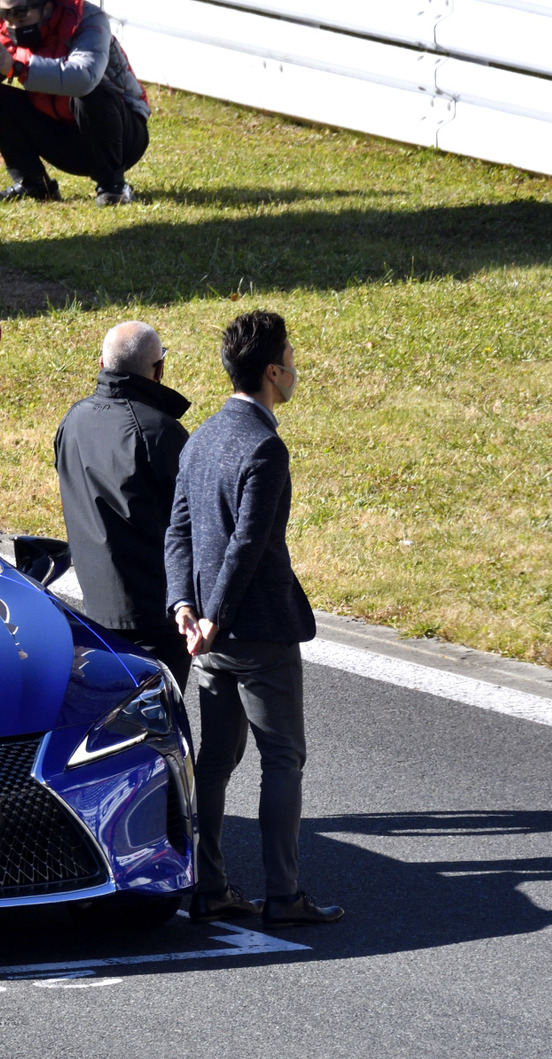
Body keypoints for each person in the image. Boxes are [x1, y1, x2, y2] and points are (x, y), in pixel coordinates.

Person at [164, 310, 343, 929]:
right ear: (272, 372)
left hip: (206, 637)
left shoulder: (203, 436)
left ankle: (209, 885)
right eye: (291, 358)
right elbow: (248, 544)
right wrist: (214, 613)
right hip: (256, 632)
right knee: (282, 758)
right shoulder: (265, 447)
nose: (295, 368)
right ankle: (284, 893)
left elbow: (179, 530)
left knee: (215, 761)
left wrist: (184, 608)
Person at [54, 320, 194, 688]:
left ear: (101, 363)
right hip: (156, 616)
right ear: (159, 369)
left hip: (97, 611)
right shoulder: (159, 432)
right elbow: (192, 520)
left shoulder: (73, 421)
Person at [0, 0, 150, 205]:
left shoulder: (88, 19)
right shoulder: (8, 30)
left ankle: (113, 186)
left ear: (47, 6)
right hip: (66, 141)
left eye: (22, 13)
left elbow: (85, 78)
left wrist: (18, 67)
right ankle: (34, 184)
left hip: (124, 140)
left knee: (91, 92)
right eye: (7, 15)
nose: (15, 24)